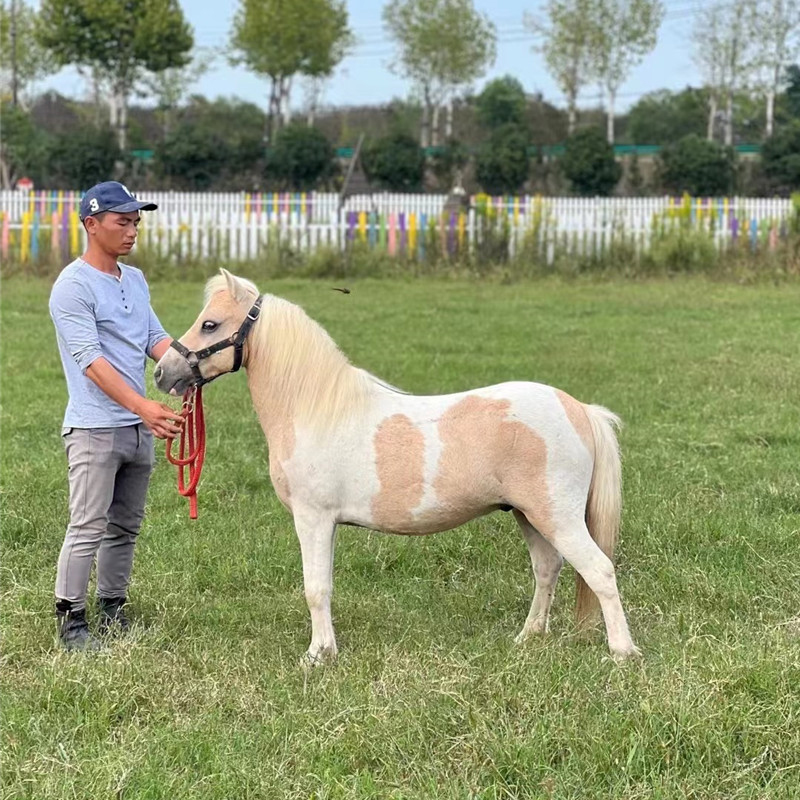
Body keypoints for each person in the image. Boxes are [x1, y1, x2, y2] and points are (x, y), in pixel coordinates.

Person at [49, 181, 183, 651]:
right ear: (91, 224)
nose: (132, 231)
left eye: (136, 222)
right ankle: (71, 621)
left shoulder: (136, 279)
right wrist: (144, 406)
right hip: (94, 429)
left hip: (135, 429)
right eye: (122, 222)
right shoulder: (72, 287)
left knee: (125, 526)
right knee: (88, 525)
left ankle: (112, 610)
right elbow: (91, 361)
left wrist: (190, 366)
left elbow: (154, 338)